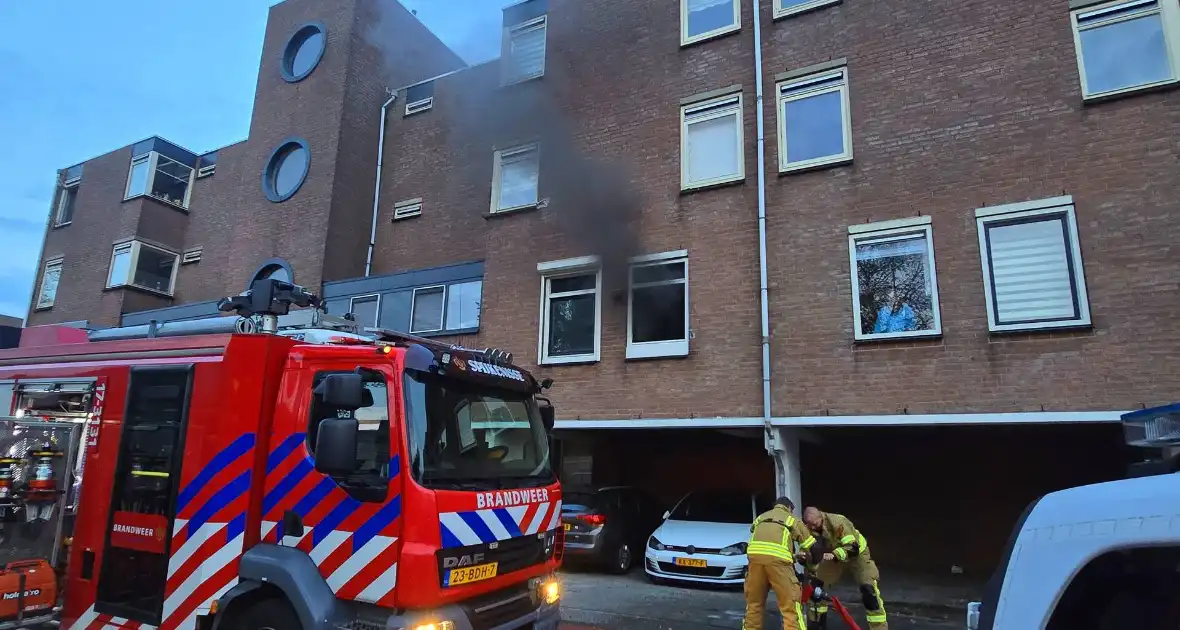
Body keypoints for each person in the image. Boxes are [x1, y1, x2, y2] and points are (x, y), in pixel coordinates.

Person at [802, 507, 888, 630]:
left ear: (821, 517)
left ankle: (879, 628)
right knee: (816, 590)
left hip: (857, 556)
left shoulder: (838, 522)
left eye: (815, 524)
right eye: (809, 525)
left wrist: (835, 554)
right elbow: (807, 550)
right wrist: (805, 558)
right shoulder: (808, 529)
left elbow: (853, 548)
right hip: (832, 556)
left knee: (869, 591)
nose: (813, 528)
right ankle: (817, 626)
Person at [743, 497, 818, 630]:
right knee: (791, 607)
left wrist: (793, 556)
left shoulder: (760, 518)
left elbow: (768, 548)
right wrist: (812, 567)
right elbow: (812, 547)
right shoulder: (791, 519)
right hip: (779, 566)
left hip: (754, 563)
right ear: (789, 508)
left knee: (754, 605)